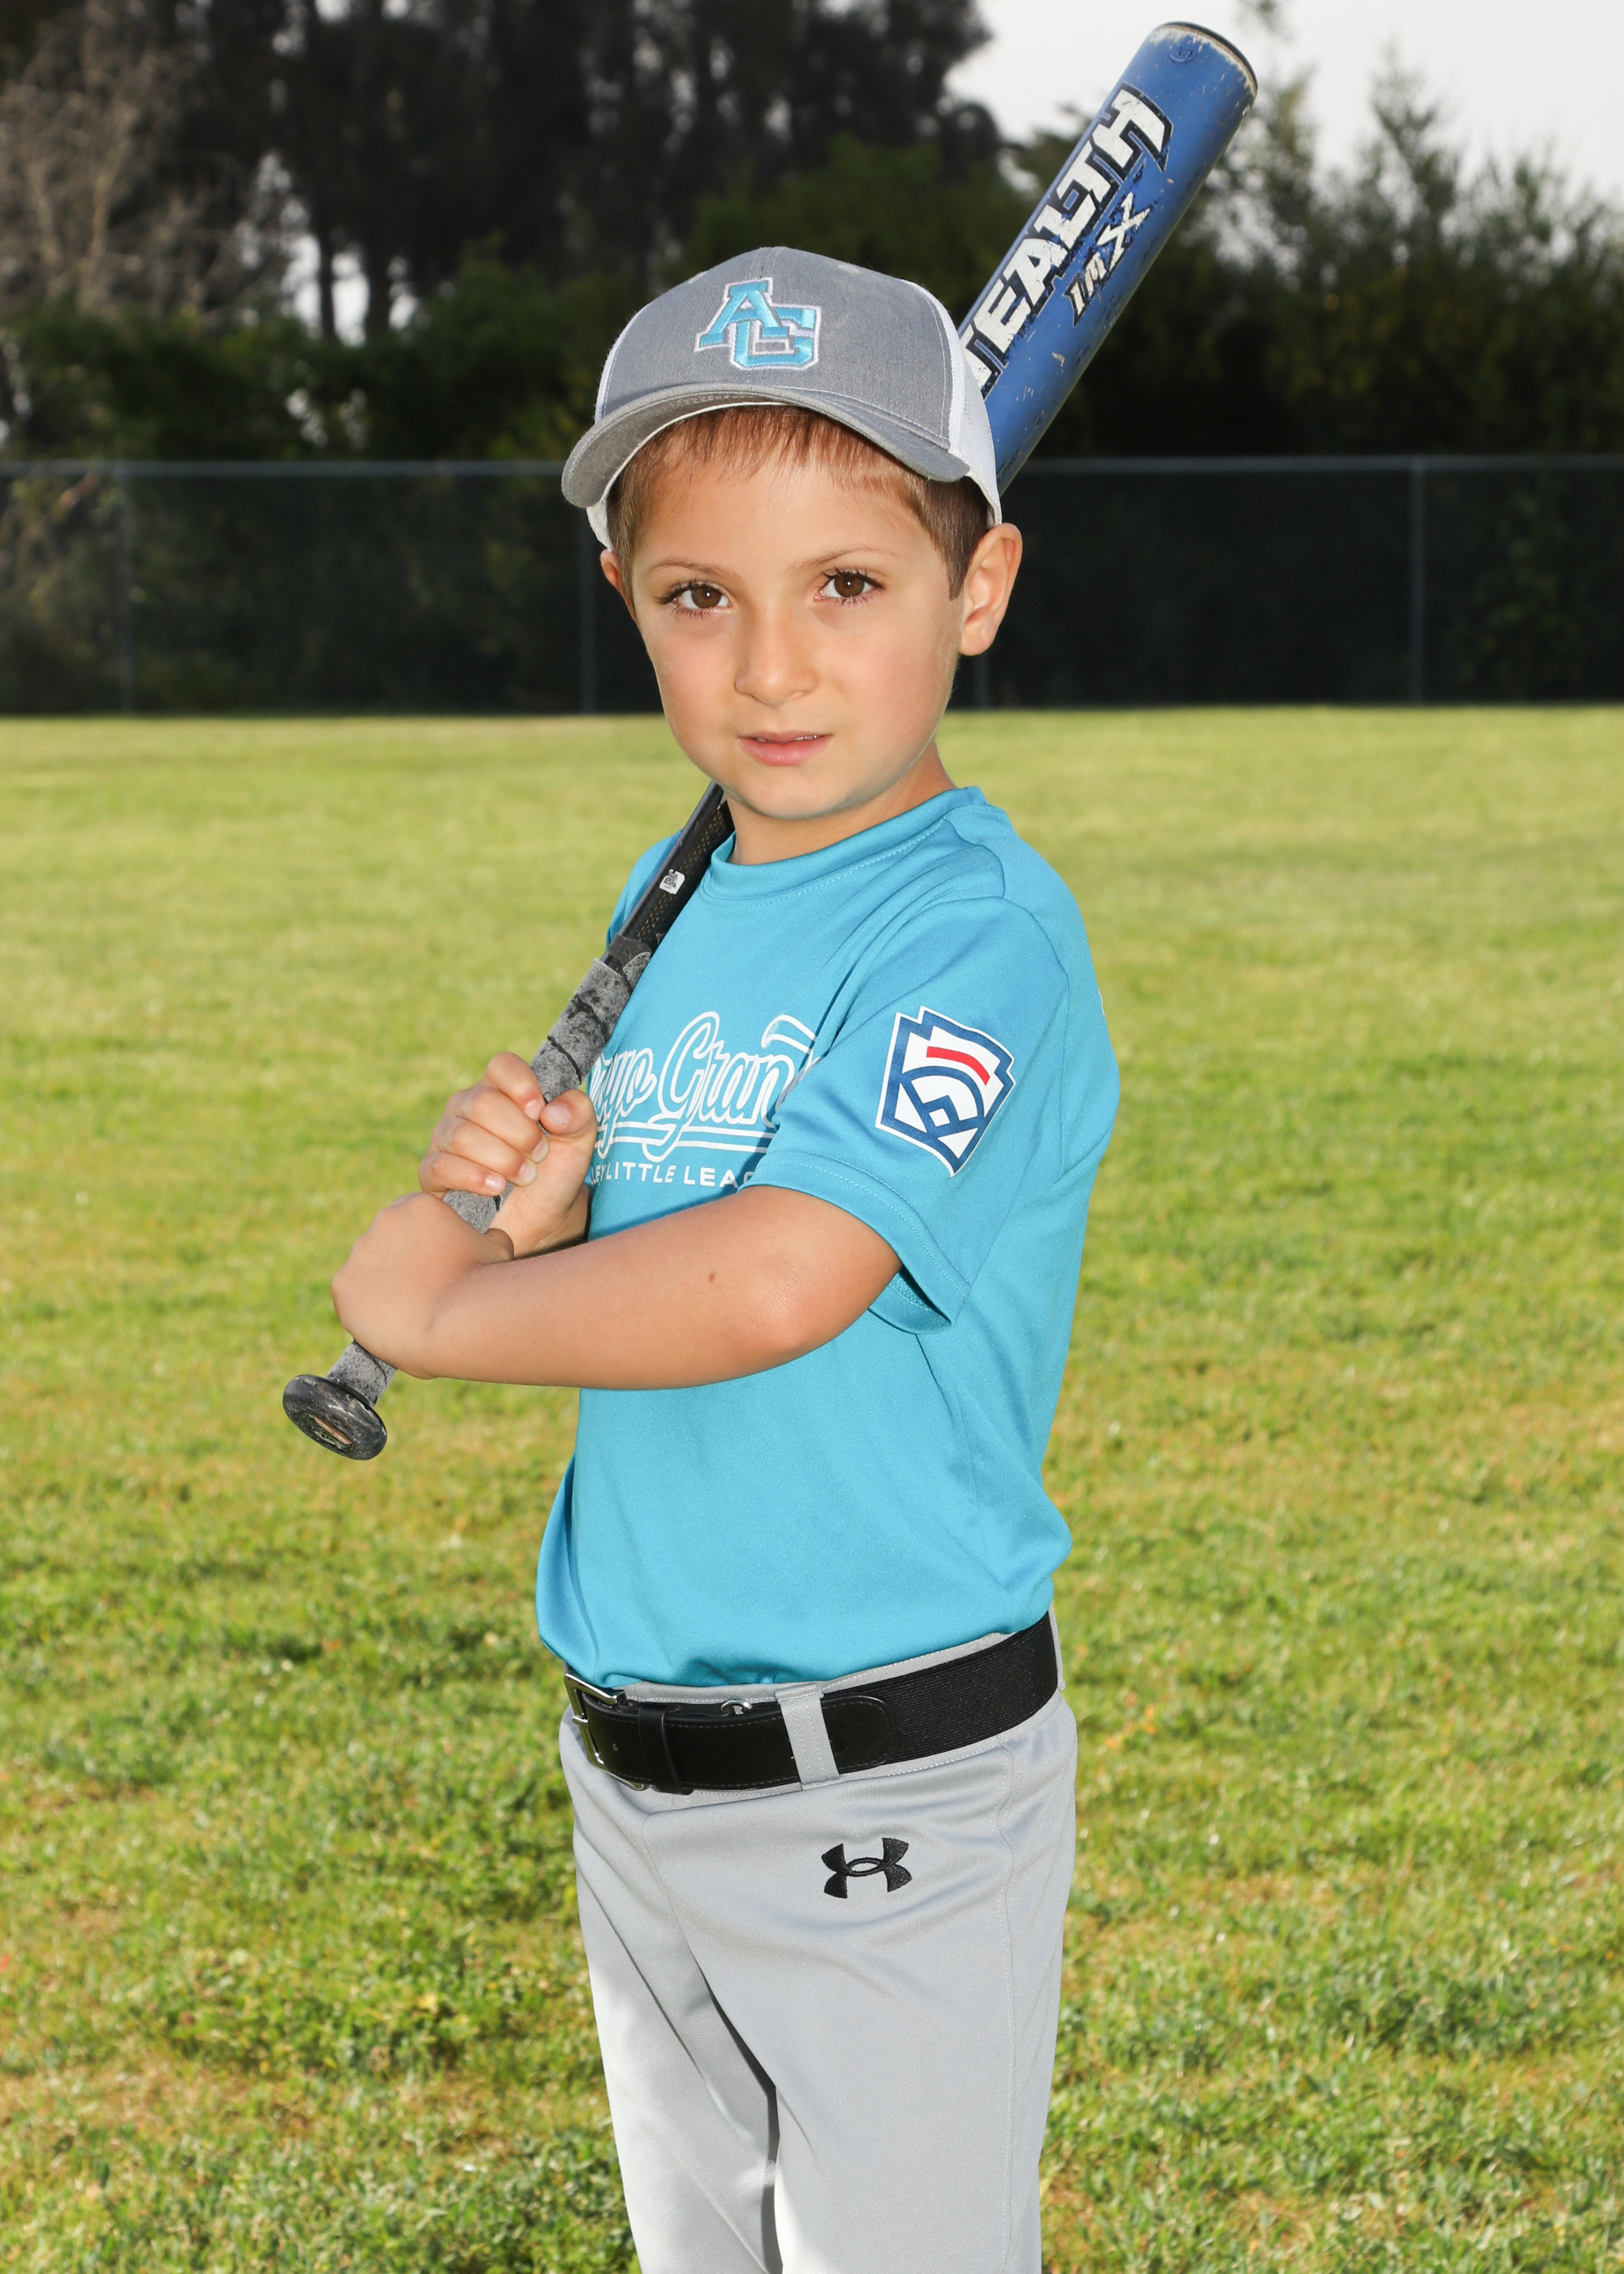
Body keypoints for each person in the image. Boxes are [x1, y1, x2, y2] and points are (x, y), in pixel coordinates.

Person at [332, 246, 1120, 2274]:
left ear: (978, 588)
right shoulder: (678, 887)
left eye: (846, 584)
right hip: (639, 1770)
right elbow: (673, 1222)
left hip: (889, 1789)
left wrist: (449, 1307)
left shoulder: (976, 934)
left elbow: (779, 1277)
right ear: (627, 596)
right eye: (701, 596)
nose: (771, 668)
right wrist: (555, 1198)